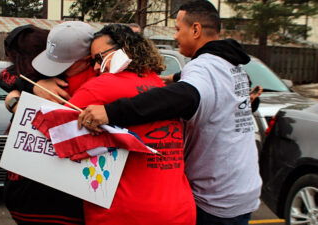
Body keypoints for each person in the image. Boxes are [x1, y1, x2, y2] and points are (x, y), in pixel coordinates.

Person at [77, 1, 262, 225]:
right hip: (245, 188)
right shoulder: (233, 65)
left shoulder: (203, 67)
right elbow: (225, 96)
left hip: (214, 194)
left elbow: (183, 97)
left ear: (195, 30)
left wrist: (110, 111)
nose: (175, 36)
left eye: (177, 28)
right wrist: (175, 78)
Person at [66, 24, 196, 225]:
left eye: (99, 59)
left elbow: (53, 130)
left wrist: (16, 95)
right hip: (179, 210)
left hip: (124, 213)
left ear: (123, 50)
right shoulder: (158, 84)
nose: (94, 67)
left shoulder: (100, 87)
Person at [0, 21, 96, 225]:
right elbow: (3, 77)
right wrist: (30, 88)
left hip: (50, 190)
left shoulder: (91, 81)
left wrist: (18, 96)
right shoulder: (34, 78)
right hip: (47, 188)